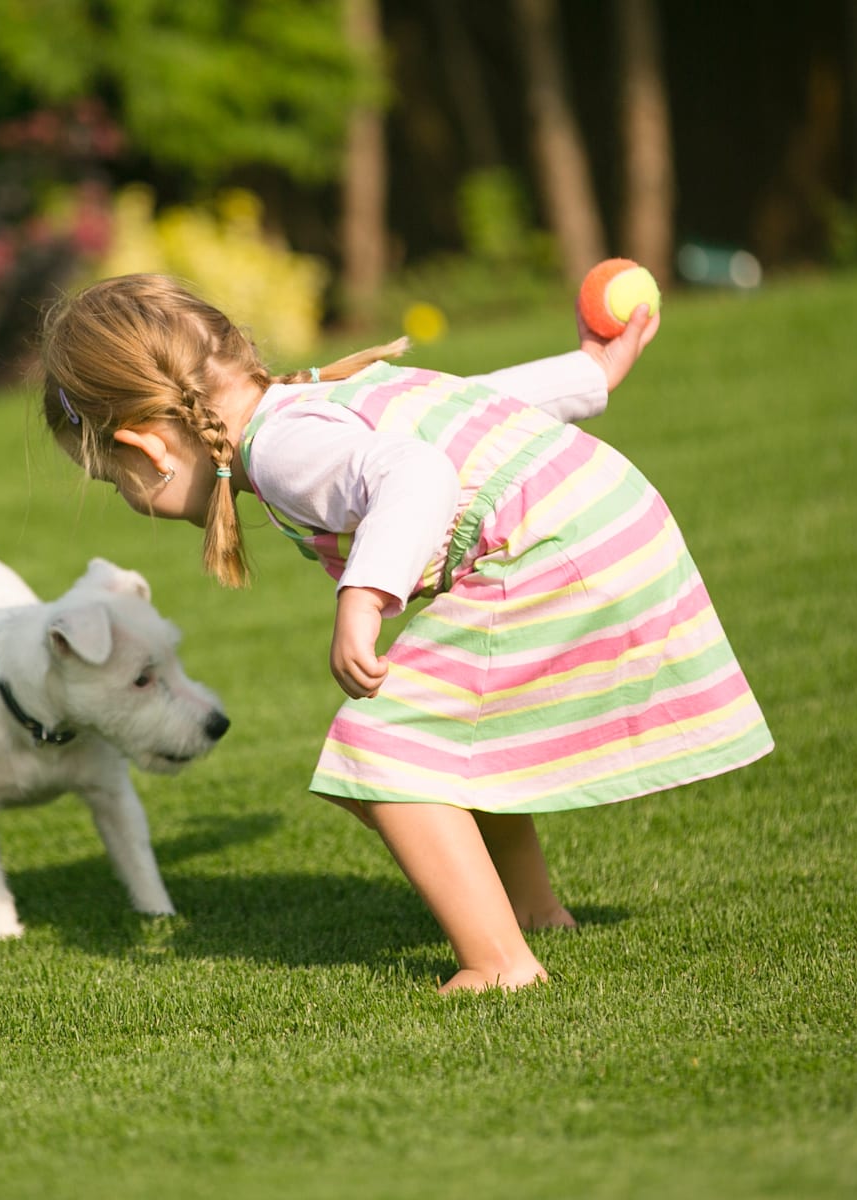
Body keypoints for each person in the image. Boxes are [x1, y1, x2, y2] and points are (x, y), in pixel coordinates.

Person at [38, 274, 772, 993]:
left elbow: (418, 472)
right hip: (604, 521)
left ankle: (501, 964)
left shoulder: (281, 448)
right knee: (449, 733)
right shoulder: (313, 399)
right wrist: (588, 374)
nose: (130, 499)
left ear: (147, 448)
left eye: (115, 482)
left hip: (555, 551)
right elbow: (471, 405)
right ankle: (533, 912)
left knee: (383, 749)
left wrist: (364, 594)